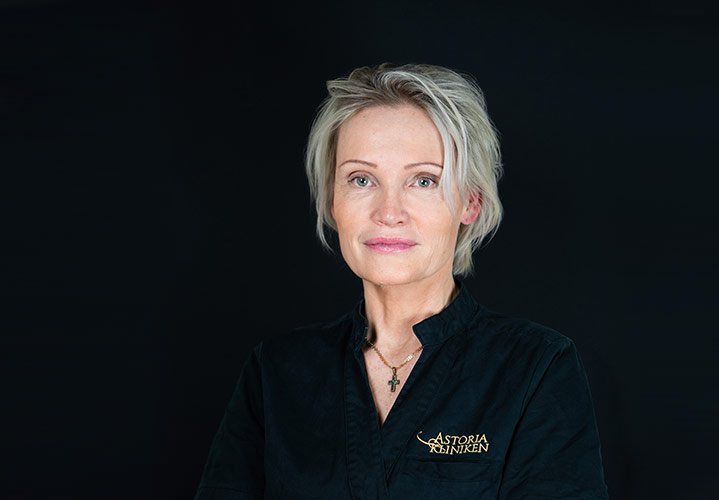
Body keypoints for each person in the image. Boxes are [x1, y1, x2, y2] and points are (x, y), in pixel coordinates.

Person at [195, 63, 608, 499]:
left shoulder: (536, 368)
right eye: (361, 179)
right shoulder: (277, 372)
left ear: (470, 202)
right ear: (334, 200)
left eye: (423, 181)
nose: (388, 212)